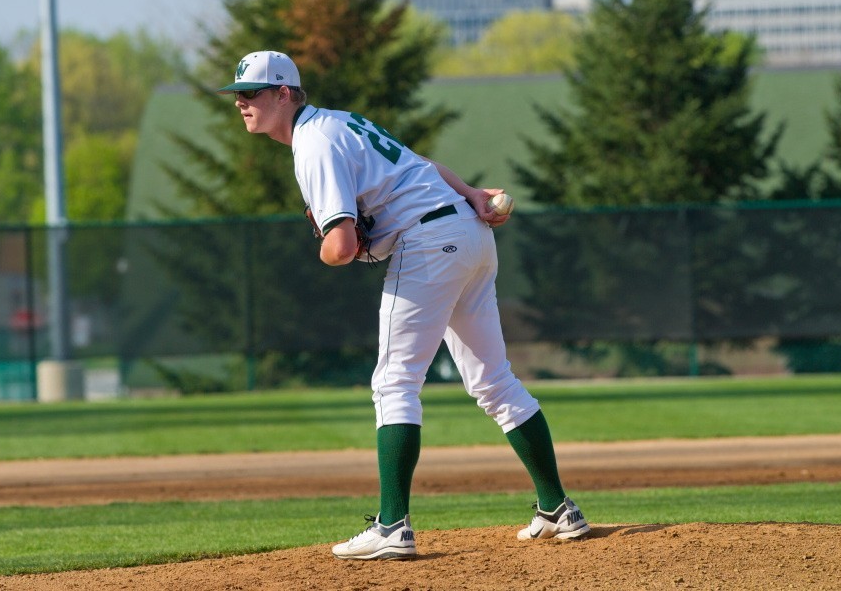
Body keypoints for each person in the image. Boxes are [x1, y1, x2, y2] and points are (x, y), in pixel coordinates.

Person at [218, 50, 590, 560]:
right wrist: (472, 193)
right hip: (468, 231)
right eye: (237, 95)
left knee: (394, 382)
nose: (241, 103)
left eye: (252, 93)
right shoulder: (339, 122)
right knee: (493, 379)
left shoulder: (313, 144)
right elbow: (421, 165)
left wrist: (325, 246)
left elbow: (343, 246)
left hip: (429, 244)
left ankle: (392, 525)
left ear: (284, 93)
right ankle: (558, 508)